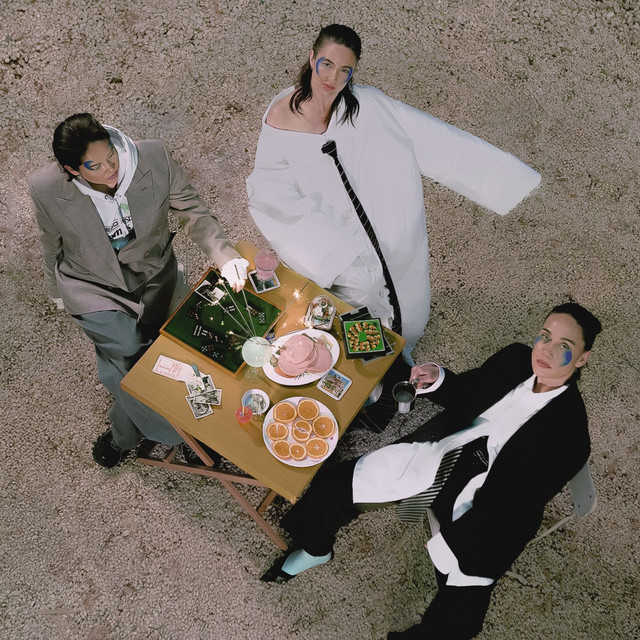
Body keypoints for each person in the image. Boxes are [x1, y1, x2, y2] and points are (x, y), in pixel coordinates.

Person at [260, 302, 602, 640]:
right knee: (334, 486)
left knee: (459, 622)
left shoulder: (570, 439)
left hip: (482, 505)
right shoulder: (515, 358)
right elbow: (469, 392)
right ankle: (316, 549)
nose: (546, 351)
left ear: (583, 358)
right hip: (442, 453)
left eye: (564, 346)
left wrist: (453, 544)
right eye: (545, 336)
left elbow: (514, 510)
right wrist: (440, 379)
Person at [247, 24, 541, 356]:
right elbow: (269, 188)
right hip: (333, 234)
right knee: (353, 305)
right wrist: (326, 246)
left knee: (406, 299)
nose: (332, 78)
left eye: (344, 70)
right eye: (326, 64)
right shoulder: (281, 116)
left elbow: (432, 137)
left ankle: (402, 352)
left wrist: (504, 179)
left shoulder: (369, 106)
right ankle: (366, 365)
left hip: (384, 224)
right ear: (312, 58)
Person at [29, 113, 248, 468]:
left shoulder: (154, 158)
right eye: (94, 166)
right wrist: (56, 289)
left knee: (176, 346)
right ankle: (178, 434)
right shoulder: (45, 188)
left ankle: (127, 433)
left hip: (154, 271)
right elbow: (50, 242)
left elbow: (194, 211)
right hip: (91, 286)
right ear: (72, 170)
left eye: (111, 156)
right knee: (133, 356)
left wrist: (226, 256)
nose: (110, 170)